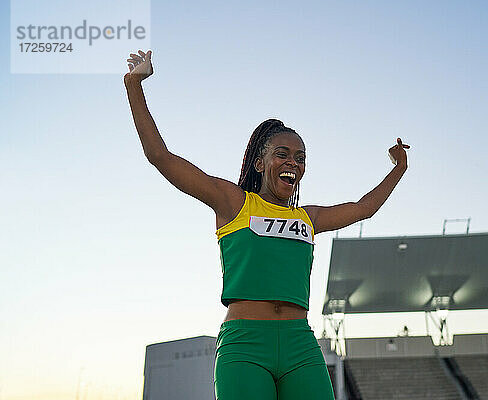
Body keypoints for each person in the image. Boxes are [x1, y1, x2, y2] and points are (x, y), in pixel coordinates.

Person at [124, 49, 410, 400]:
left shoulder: (309, 218)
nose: (293, 162)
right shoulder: (234, 203)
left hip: (300, 345)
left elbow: (364, 207)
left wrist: (398, 168)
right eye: (283, 154)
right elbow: (161, 157)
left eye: (300, 157)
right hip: (245, 346)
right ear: (260, 163)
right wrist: (134, 83)